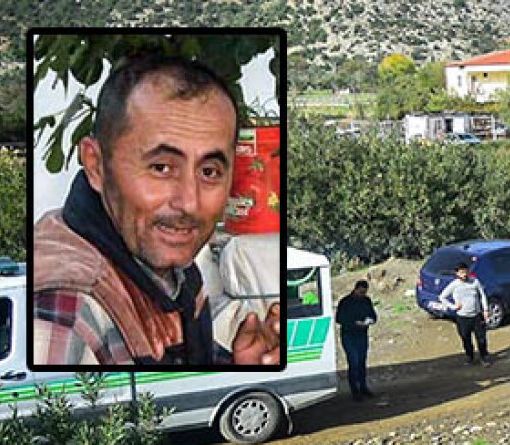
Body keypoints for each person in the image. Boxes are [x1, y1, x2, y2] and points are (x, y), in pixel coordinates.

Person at [32, 53, 280, 366]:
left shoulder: (174, 272)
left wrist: (237, 367)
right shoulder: (68, 316)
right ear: (96, 166)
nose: (189, 203)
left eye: (209, 172)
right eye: (161, 168)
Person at [439, 262, 491, 366]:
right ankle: (470, 357)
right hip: (462, 317)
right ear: (457, 273)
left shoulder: (475, 282)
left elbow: (482, 295)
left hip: (476, 315)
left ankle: (484, 357)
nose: (464, 274)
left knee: (481, 338)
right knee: (465, 338)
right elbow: (442, 297)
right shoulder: (454, 285)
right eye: (462, 272)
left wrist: (485, 310)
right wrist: (453, 307)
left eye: (466, 271)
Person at [335, 281, 378, 401]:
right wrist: (354, 323)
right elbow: (339, 318)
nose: (362, 294)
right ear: (356, 289)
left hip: (362, 335)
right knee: (353, 363)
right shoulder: (345, 302)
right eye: (361, 292)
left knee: (361, 363)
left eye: (364, 292)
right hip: (349, 335)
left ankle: (363, 387)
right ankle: (355, 391)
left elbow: (373, 315)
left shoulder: (366, 301)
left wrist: (370, 321)